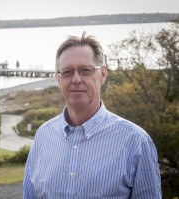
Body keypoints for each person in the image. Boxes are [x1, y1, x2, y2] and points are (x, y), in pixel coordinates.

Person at [23, 34, 161, 198]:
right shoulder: (43, 136)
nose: (76, 79)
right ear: (58, 79)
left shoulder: (135, 141)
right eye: (67, 72)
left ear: (102, 74)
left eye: (85, 70)